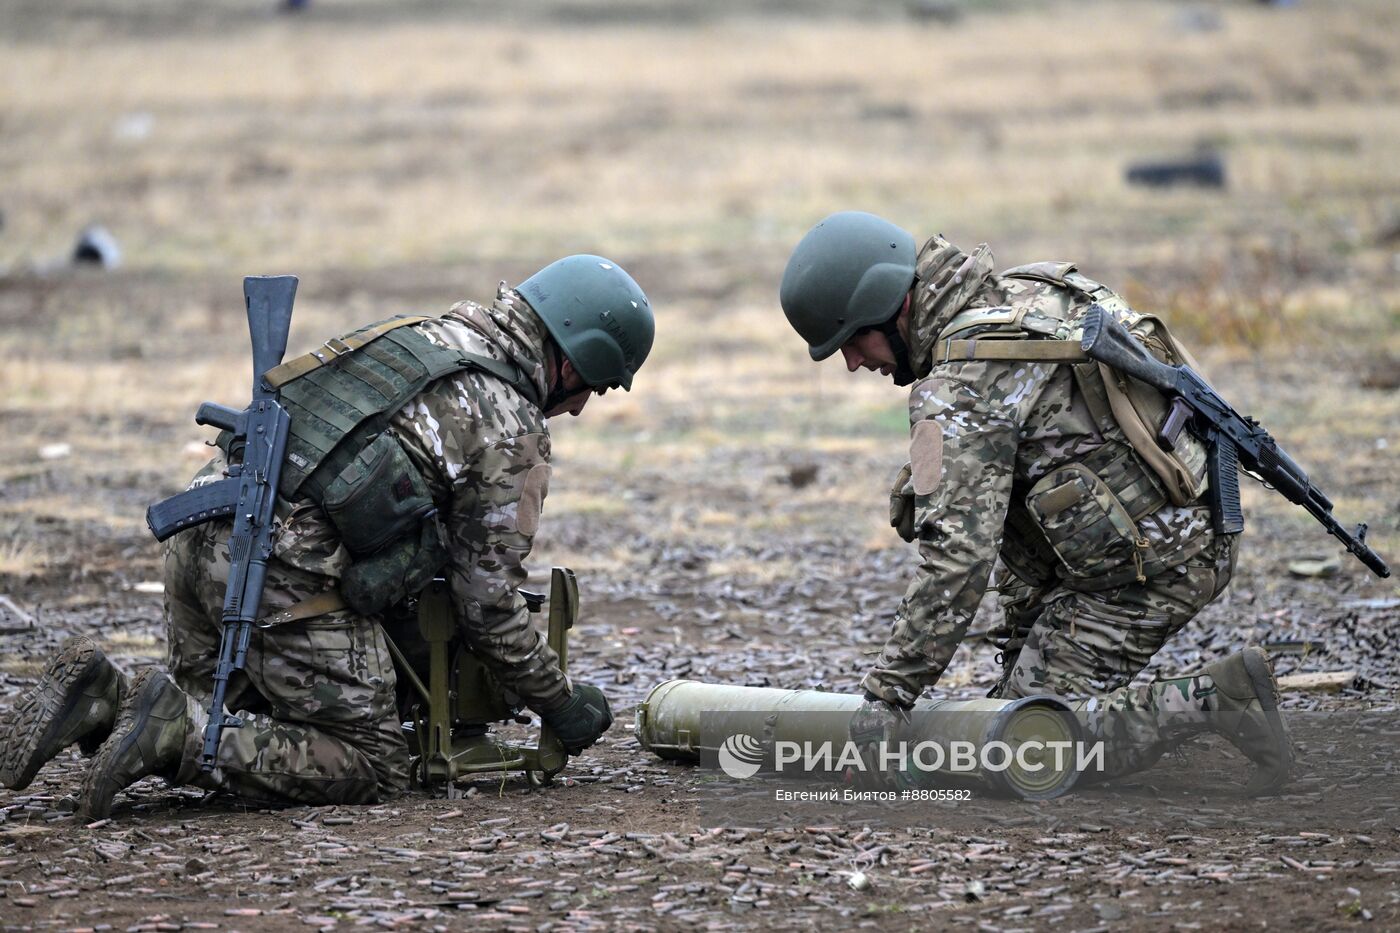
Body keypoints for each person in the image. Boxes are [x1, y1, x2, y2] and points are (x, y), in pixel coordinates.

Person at [0, 255, 655, 817]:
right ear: (577, 359)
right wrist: (558, 700)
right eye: (592, 388)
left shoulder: (428, 336)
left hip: (203, 523)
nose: (577, 408)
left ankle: (105, 693)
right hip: (273, 564)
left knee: (231, 709)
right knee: (369, 761)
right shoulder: (510, 422)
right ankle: (171, 733)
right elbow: (488, 602)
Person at [779, 212, 1292, 792]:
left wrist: (887, 696)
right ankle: (1047, 678)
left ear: (887, 308)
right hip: (1172, 528)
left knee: (1018, 750)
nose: (853, 364)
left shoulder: (961, 386)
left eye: (853, 342)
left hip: (1155, 566)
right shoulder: (1028, 293)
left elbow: (958, 558)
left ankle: (1218, 699)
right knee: (1009, 713)